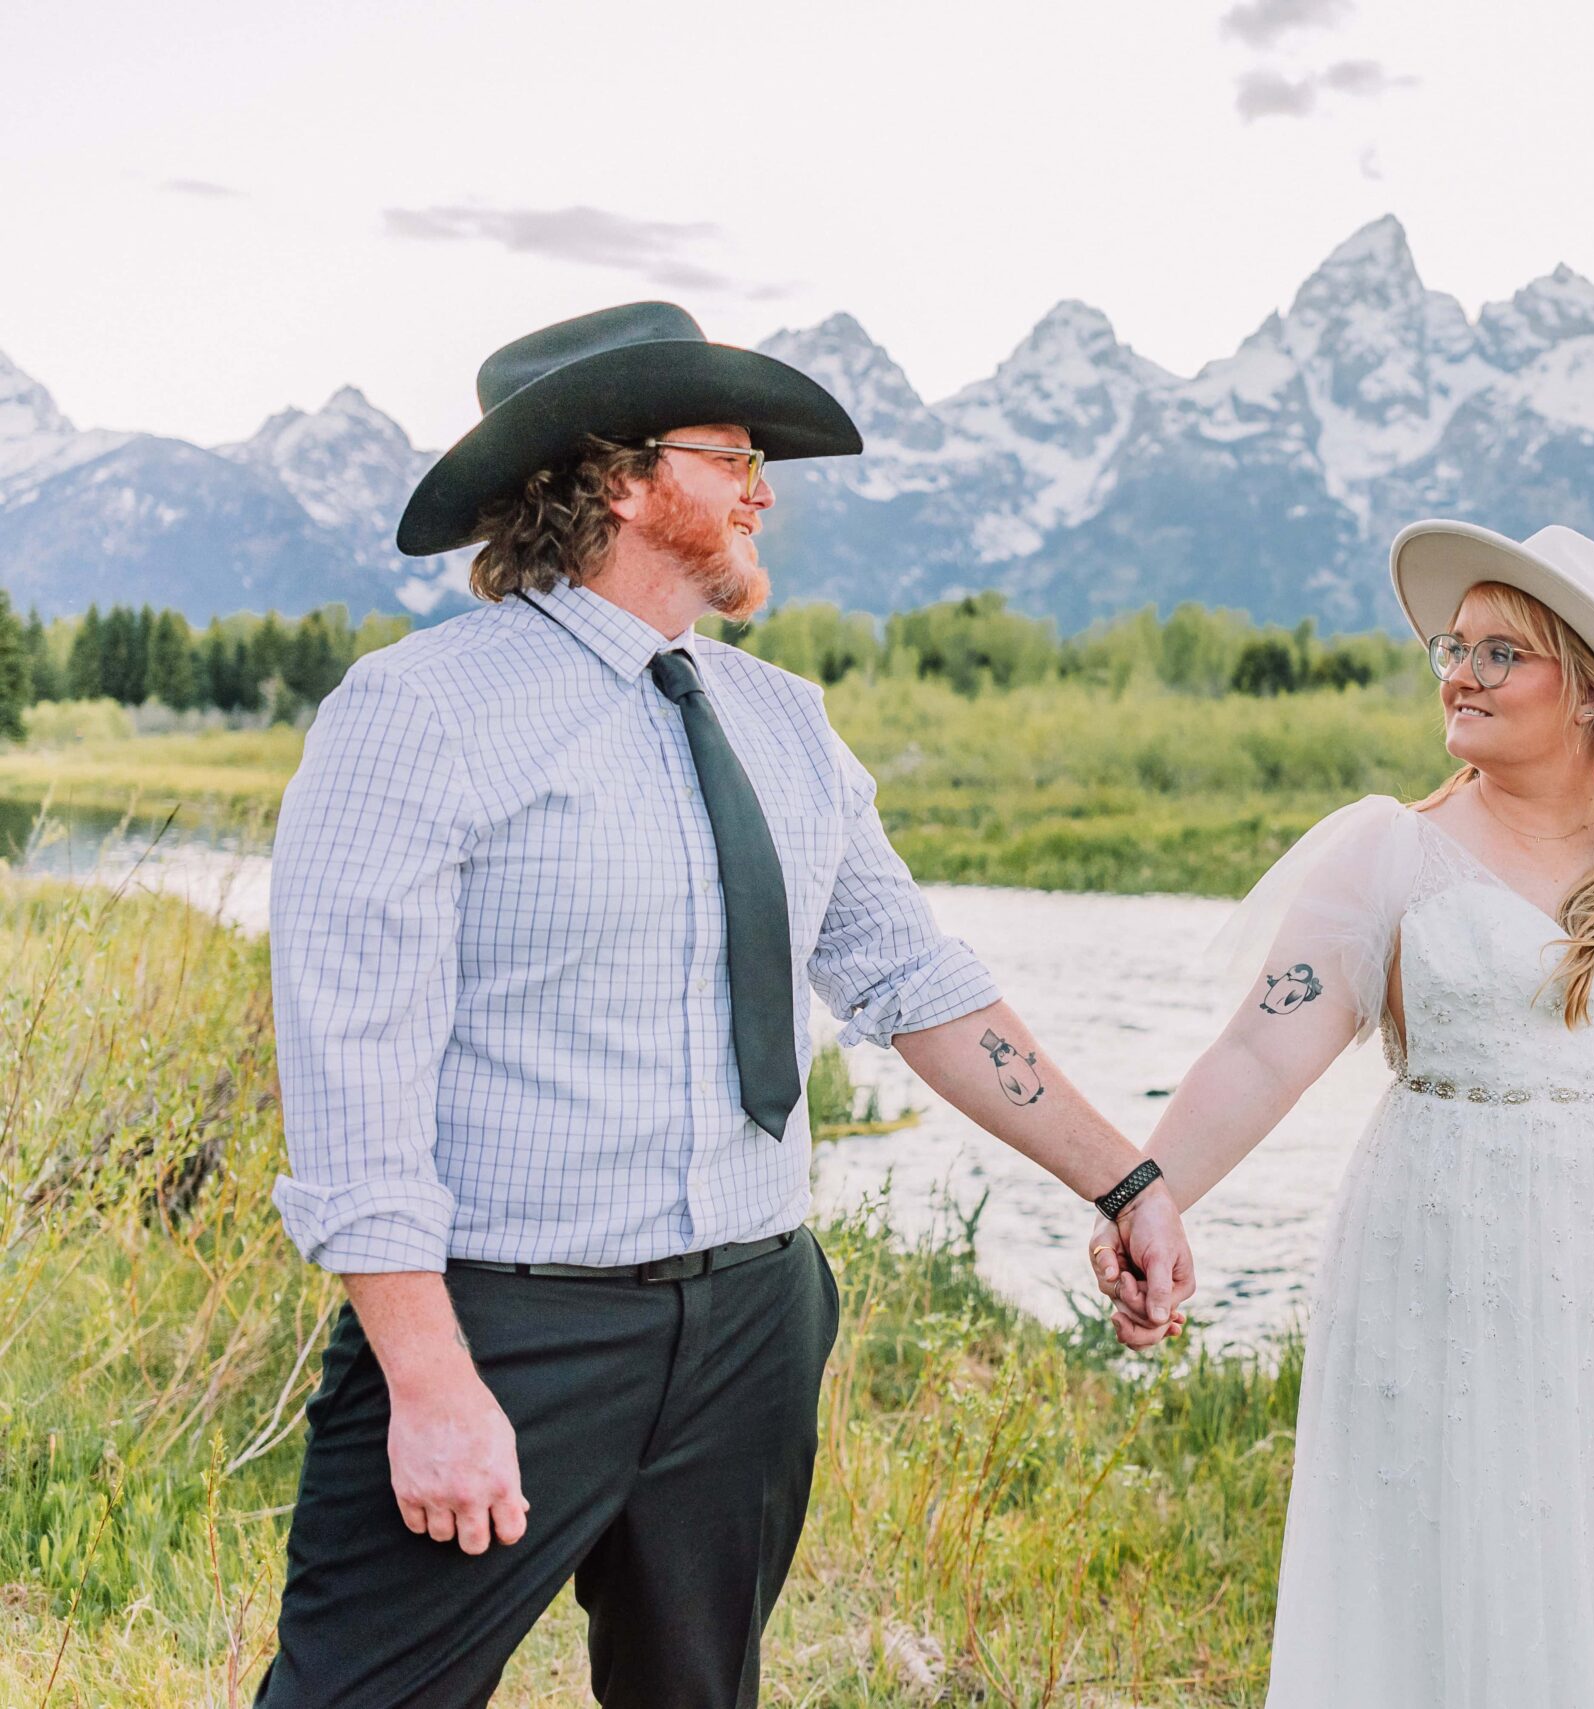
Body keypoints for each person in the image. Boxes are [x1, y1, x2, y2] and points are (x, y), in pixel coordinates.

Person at [261, 301, 1193, 1708]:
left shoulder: (782, 721)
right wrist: (432, 1380)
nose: (766, 489)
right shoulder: (416, 713)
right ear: (623, 478)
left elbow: (911, 977)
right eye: (735, 453)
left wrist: (1125, 1177)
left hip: (755, 1319)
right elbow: (352, 1075)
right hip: (508, 1329)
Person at [1090, 521, 1594, 1706]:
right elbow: (1258, 1048)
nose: (1458, 672)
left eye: (1502, 652)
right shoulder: (1387, 855)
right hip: (1441, 1272)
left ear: (1593, 690)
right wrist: (1144, 1192)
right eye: (1454, 645)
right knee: (1447, 1565)